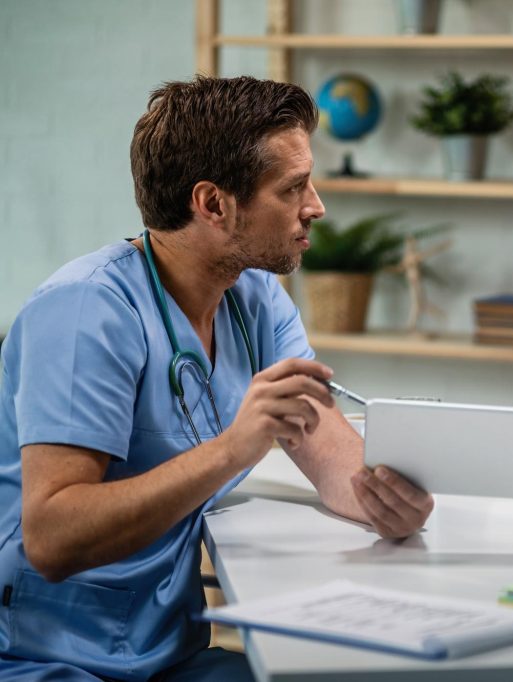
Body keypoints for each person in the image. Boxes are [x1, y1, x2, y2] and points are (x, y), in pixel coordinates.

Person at [0, 76, 435, 681]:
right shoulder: (84, 314)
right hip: (45, 657)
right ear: (213, 204)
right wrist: (233, 447)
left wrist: (385, 500)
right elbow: (51, 537)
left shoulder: (253, 298)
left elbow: (332, 453)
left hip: (167, 650)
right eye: (293, 188)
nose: (316, 206)